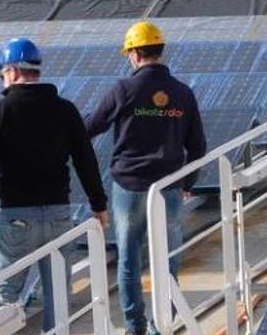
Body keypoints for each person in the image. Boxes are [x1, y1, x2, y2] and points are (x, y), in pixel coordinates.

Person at [0, 37, 109, 331]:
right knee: (58, 298)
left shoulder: (0, 111)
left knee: (2, 299)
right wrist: (99, 205)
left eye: (2, 73)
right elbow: (86, 161)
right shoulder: (66, 109)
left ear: (12, 71)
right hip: (58, 216)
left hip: (16, 219)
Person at [86, 21, 206, 335]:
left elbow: (92, 126)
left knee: (129, 258)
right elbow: (198, 146)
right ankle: (161, 326)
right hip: (168, 187)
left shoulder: (123, 90)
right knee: (168, 259)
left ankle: (134, 326)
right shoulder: (182, 93)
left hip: (129, 186)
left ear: (136, 54)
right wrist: (187, 183)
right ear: (159, 51)